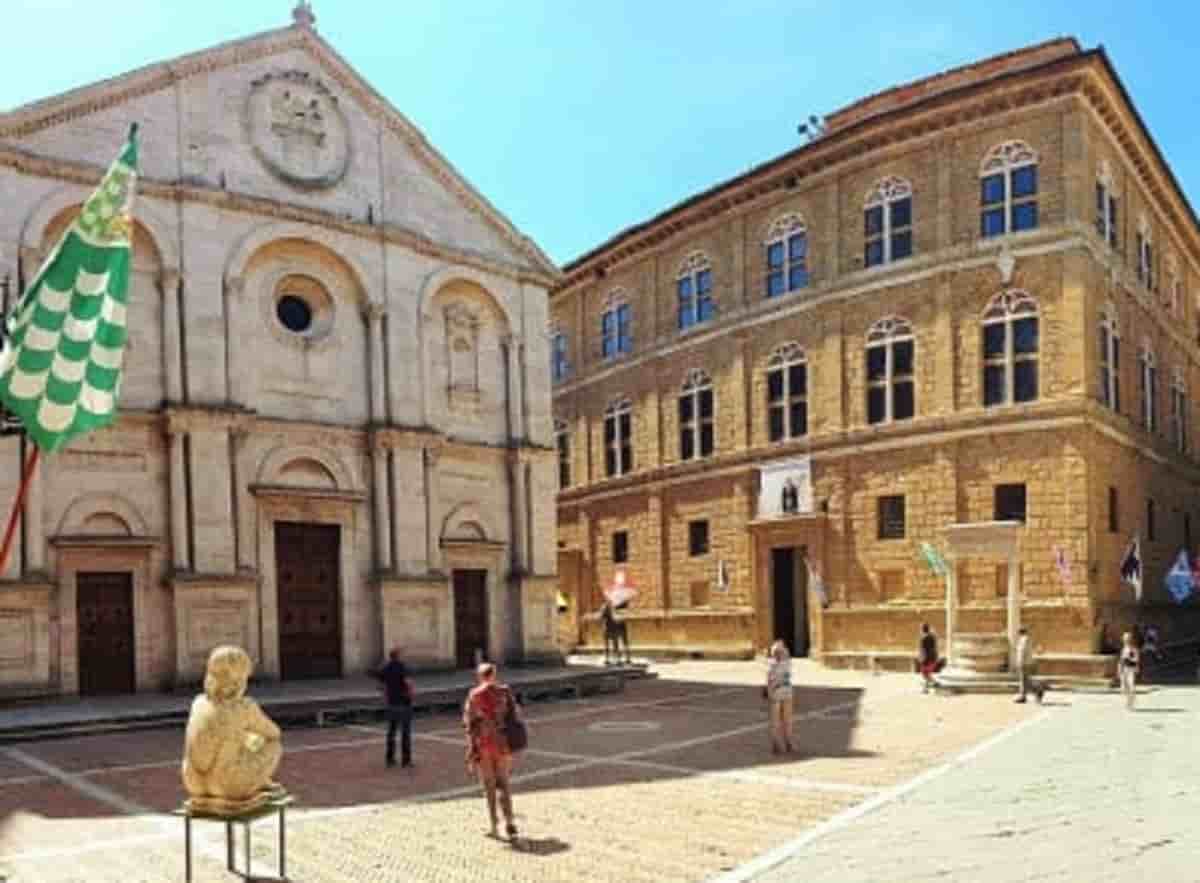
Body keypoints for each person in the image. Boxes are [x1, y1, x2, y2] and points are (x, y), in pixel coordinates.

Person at [464, 663, 522, 839]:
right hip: (503, 744)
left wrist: (471, 749)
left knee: (489, 786)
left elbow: (470, 725)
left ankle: (494, 824)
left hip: (484, 744)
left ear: (480, 676)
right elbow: (516, 714)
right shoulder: (505, 692)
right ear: (494, 675)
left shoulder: (474, 695)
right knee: (504, 784)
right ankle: (510, 821)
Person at [371, 648, 414, 768]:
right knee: (405, 733)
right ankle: (406, 760)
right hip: (404, 703)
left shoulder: (386, 668)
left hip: (391, 703)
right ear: (399, 656)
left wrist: (385, 693)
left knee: (391, 732)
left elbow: (379, 684)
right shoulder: (403, 667)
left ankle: (390, 759)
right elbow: (408, 683)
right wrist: (411, 694)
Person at [765, 640, 794, 754]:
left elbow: (769, 682)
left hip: (783, 691)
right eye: (780, 650)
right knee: (780, 720)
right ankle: (780, 743)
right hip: (781, 692)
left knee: (782, 720)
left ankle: (784, 742)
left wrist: (770, 693)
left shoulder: (782, 664)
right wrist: (770, 694)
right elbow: (769, 682)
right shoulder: (779, 664)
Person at [1014, 627, 1044, 704]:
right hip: (1027, 662)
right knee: (1024, 681)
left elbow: (1022, 651)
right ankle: (1023, 696)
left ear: (1020, 633)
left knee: (1025, 681)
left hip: (1024, 663)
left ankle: (1038, 690)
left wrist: (1020, 662)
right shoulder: (1027, 640)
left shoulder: (1024, 640)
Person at [1119, 631, 1140, 709]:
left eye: (1127, 639)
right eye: (1125, 639)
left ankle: (1130, 702)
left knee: (1131, 686)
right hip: (1125, 669)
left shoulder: (1133, 649)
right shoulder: (1124, 649)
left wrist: (1135, 665)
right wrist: (1120, 668)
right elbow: (1121, 659)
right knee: (1124, 687)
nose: (1126, 640)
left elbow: (1136, 659)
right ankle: (1129, 700)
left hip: (1131, 669)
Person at [917, 623, 938, 694]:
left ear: (922, 630)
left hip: (927, 658)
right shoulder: (932, 636)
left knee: (925, 673)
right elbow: (935, 646)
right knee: (927, 673)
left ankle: (926, 689)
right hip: (933, 657)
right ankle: (934, 683)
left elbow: (923, 649)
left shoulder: (923, 638)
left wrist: (921, 658)